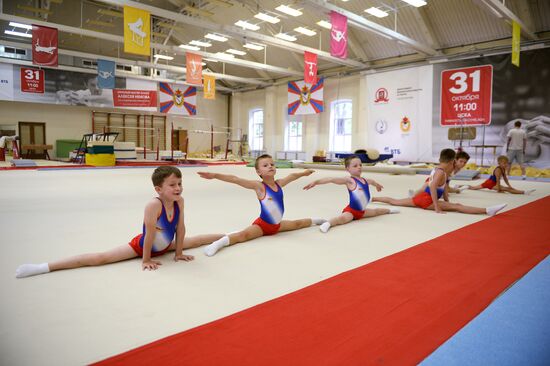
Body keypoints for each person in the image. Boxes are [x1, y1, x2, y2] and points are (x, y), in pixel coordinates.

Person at [15, 166, 223, 278]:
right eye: (172, 185)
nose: (177, 188)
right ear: (158, 189)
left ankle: (228, 237)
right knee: (100, 258)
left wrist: (178, 253)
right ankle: (42, 267)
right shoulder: (154, 205)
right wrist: (145, 259)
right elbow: (149, 234)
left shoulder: (180, 202)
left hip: (167, 245)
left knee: (196, 241)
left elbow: (180, 227)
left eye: (179, 184)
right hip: (142, 246)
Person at [198, 154, 326, 256]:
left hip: (277, 225)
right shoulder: (259, 187)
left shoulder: (279, 184)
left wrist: (304, 173)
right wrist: (215, 175)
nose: (270, 166)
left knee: (297, 224)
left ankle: (317, 220)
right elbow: (235, 179)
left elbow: (292, 175)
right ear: (259, 172)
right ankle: (217, 244)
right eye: (265, 165)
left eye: (272, 164)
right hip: (262, 226)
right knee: (243, 236)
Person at [372, 149, 507, 216]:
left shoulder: (440, 170)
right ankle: (487, 210)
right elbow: (432, 186)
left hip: (420, 198)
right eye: (454, 161)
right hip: (427, 200)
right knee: (458, 206)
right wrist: (437, 207)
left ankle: (373, 198)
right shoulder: (441, 172)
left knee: (395, 201)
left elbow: (443, 188)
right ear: (450, 162)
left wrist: (446, 199)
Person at [303, 155, 399, 233]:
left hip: (362, 211)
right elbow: (331, 179)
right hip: (351, 211)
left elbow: (372, 181)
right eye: (355, 166)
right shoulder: (349, 180)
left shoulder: (365, 180)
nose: (359, 167)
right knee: (341, 219)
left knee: (377, 211)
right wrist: (316, 182)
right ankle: (328, 223)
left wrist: (377, 185)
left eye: (360, 165)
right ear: (347, 168)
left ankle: (389, 210)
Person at [465, 155, 535, 195]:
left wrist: (509, 185)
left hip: (493, 182)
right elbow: (498, 180)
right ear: (499, 163)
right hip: (490, 183)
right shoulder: (498, 169)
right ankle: (524, 192)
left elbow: (505, 178)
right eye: (504, 163)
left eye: (506, 163)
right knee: (507, 189)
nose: (506, 164)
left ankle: (464, 186)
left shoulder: (503, 169)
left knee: (473, 187)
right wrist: (499, 189)